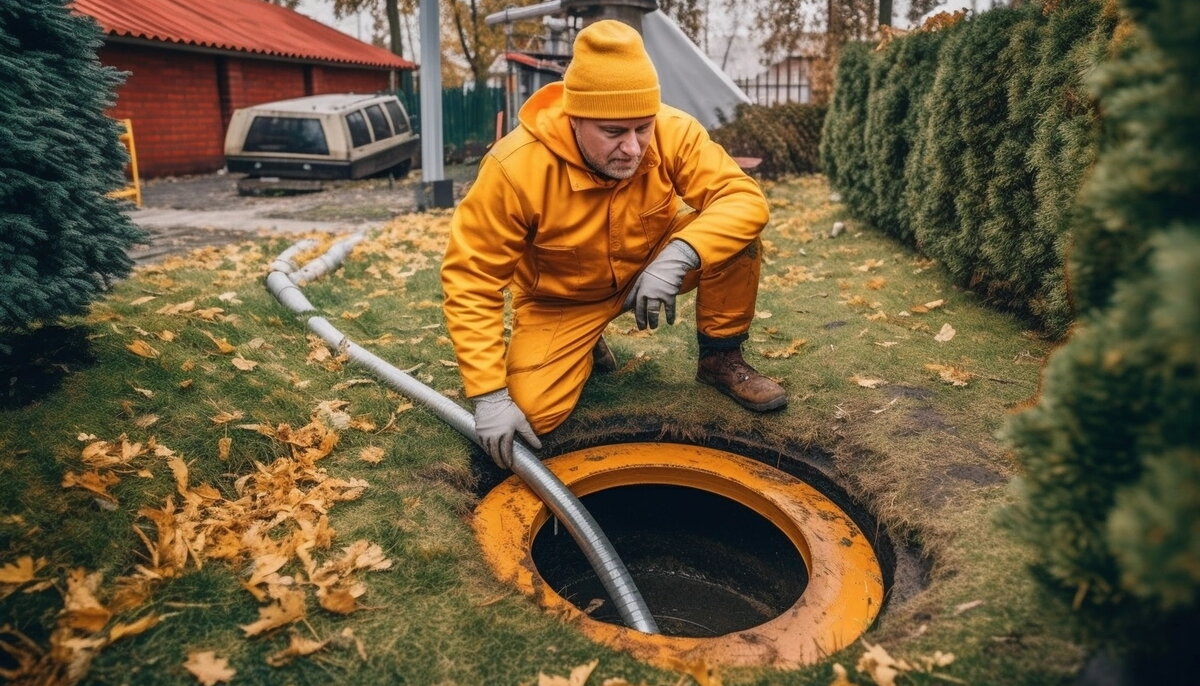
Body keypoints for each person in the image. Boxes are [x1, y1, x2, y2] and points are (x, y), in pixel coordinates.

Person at [441, 19, 786, 469]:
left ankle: (721, 359)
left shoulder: (674, 131)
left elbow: (742, 198)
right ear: (575, 116)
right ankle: (583, 344)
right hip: (562, 300)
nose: (633, 147)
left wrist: (679, 256)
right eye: (613, 132)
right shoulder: (514, 167)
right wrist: (488, 395)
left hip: (652, 266)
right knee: (532, 416)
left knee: (737, 238)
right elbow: (472, 280)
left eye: (642, 128)